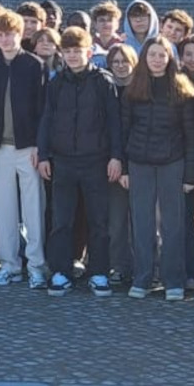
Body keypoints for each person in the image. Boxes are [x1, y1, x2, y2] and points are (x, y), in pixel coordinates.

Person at [37, 27, 123, 297]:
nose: (73, 56)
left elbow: (114, 124)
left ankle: (98, 272)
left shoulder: (103, 82)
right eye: (68, 51)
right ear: (62, 54)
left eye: (78, 51)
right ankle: (61, 271)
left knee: (99, 220)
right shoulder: (56, 83)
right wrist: (43, 155)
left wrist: (116, 157)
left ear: (89, 52)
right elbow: (46, 120)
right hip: (63, 161)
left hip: (96, 161)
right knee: (61, 220)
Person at [119, 36, 194, 300]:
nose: (156, 59)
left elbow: (191, 135)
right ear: (144, 58)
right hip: (139, 162)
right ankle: (143, 278)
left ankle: (173, 279)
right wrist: (124, 169)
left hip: (172, 162)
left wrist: (190, 174)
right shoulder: (133, 88)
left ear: (170, 58)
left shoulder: (182, 89)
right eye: (152, 54)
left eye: (161, 55)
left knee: (173, 225)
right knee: (142, 224)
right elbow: (124, 129)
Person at [0, 10, 48, 289]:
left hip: (28, 147)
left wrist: (40, 147)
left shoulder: (34, 65)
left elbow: (44, 109)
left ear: (21, 35)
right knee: (4, 210)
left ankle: (36, 265)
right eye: (0, 34)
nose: (5, 39)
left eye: (10, 34)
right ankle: (9, 264)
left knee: (34, 210)